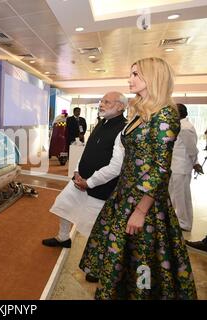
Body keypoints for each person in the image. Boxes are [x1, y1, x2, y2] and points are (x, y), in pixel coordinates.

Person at [79, 57, 197, 299]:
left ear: (152, 77)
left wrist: (142, 210)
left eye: (135, 74)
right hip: (125, 195)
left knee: (143, 260)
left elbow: (161, 169)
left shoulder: (165, 115)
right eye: (130, 74)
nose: (129, 79)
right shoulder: (142, 112)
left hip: (145, 202)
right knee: (124, 258)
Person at [43, 92, 127, 283]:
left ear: (120, 107)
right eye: (101, 101)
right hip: (79, 180)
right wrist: (76, 172)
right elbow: (87, 151)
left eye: (107, 102)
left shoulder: (123, 130)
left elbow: (116, 166)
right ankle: (63, 237)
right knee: (63, 205)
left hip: (100, 187)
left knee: (95, 229)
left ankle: (97, 266)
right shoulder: (101, 122)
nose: (102, 104)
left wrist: (89, 182)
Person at [169, 103, 203, 232]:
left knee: (182, 197)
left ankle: (185, 223)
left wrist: (195, 163)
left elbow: (192, 149)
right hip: (174, 167)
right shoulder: (179, 125)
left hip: (181, 167)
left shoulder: (185, 128)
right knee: (173, 195)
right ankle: (175, 220)